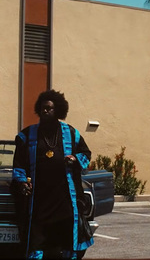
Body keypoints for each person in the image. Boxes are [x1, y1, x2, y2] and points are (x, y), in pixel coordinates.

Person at [12, 90, 94, 259]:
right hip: (39, 199)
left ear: (58, 111)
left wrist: (75, 158)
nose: (45, 111)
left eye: (49, 108)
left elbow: (86, 154)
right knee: (37, 236)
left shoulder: (72, 134)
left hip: (64, 198)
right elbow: (18, 164)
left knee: (66, 234)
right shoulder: (27, 136)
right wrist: (21, 182)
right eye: (42, 108)